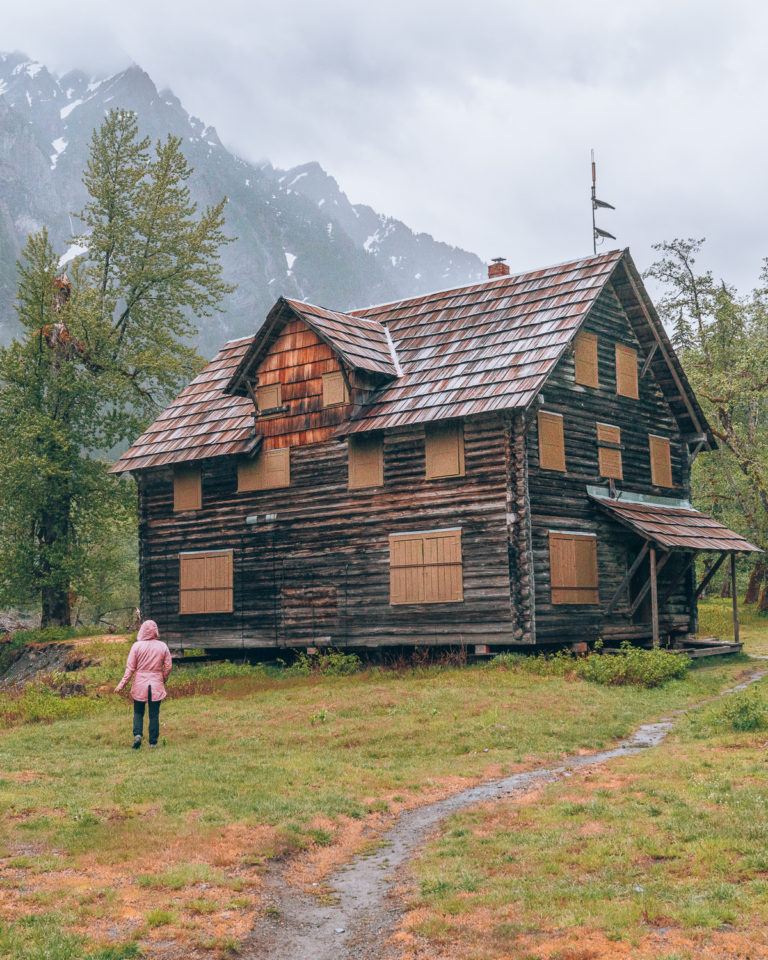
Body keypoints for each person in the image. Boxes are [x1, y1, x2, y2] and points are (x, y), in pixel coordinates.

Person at [115, 619, 172, 749]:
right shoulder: (162, 646)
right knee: (154, 714)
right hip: (156, 683)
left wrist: (121, 685)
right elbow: (168, 666)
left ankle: (138, 735)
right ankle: (153, 742)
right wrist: (163, 678)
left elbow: (130, 668)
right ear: (155, 630)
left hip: (140, 683)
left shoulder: (136, 646)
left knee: (138, 711)